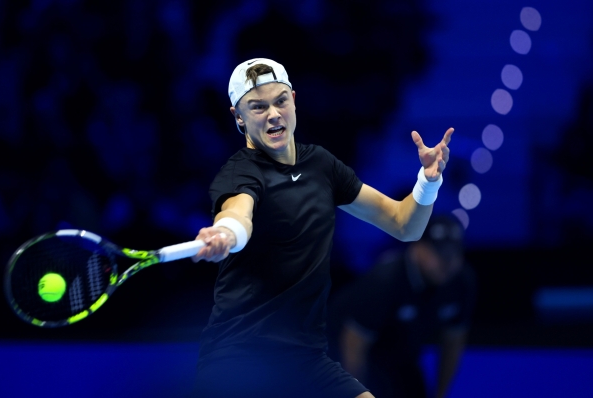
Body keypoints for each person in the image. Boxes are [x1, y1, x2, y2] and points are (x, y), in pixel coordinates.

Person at [188, 57, 454, 398]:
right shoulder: (240, 173)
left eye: (280, 101)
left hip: (306, 359)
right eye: (257, 107)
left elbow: (404, 225)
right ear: (238, 117)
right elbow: (239, 212)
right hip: (239, 360)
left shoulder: (321, 166)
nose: (273, 114)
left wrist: (427, 183)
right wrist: (226, 233)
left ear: (294, 100)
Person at [329, 214, 476, 398]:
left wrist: (440, 395)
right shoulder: (385, 280)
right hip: (337, 347)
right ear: (417, 247)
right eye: (439, 253)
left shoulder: (462, 282)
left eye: (453, 254)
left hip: (400, 353)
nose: (447, 263)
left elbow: (453, 344)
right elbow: (354, 344)